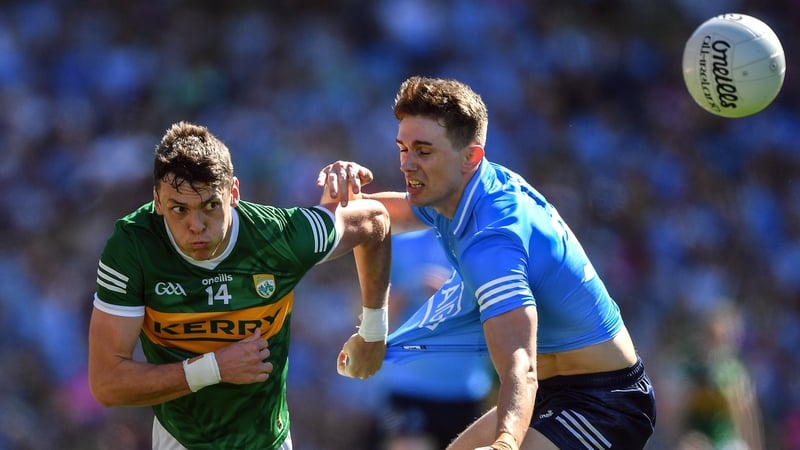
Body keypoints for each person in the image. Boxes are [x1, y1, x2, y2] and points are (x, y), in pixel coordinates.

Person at [318, 76, 657, 450]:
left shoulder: (493, 239)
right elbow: (373, 220)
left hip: (603, 403)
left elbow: (520, 365)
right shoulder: (455, 194)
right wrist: (340, 199)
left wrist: (506, 443)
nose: (407, 165)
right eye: (403, 148)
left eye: (424, 151)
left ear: (471, 157)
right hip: (550, 394)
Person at [88, 121, 392, 450]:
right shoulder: (133, 246)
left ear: (233, 193)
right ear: (158, 203)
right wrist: (214, 368)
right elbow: (107, 384)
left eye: (210, 206)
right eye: (179, 209)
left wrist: (374, 333)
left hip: (268, 442)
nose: (196, 226)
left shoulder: (279, 237)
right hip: (182, 441)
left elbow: (376, 220)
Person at [374, 229, 494, 450]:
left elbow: (502, 314)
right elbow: (369, 314)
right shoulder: (398, 244)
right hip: (409, 387)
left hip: (465, 389)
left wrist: (453, 301)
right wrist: (408, 292)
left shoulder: (485, 245)